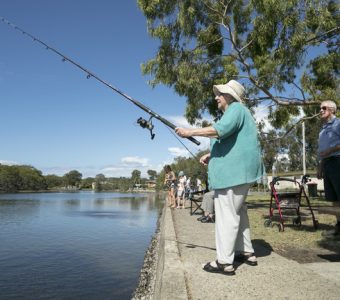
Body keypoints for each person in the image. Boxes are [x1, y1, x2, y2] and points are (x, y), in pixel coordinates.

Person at [175, 80, 264, 276]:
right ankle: (246, 251)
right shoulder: (241, 112)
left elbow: (220, 130)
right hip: (241, 172)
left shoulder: (235, 109)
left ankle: (224, 262)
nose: (216, 97)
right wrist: (211, 155)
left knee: (226, 215)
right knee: (239, 212)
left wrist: (189, 131)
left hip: (234, 174)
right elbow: (231, 139)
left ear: (230, 96)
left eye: (220, 94)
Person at [317, 100, 340, 237]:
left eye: (323, 108)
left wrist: (331, 150)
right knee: (334, 198)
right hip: (327, 164)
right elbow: (322, 151)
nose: (320, 110)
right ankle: (339, 227)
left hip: (338, 162)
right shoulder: (323, 129)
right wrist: (320, 166)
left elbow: (329, 149)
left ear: (332, 110)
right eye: (320, 108)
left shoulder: (338, 123)